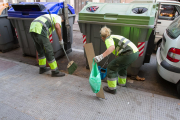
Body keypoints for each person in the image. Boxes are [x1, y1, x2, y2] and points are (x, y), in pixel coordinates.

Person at [94, 26, 139, 94]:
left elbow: (112, 47)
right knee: (122, 67)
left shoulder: (107, 39)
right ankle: (122, 84)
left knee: (111, 68)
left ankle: (112, 89)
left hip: (128, 54)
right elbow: (120, 46)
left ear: (102, 37)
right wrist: (118, 55)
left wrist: (100, 57)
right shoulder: (113, 36)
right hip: (135, 53)